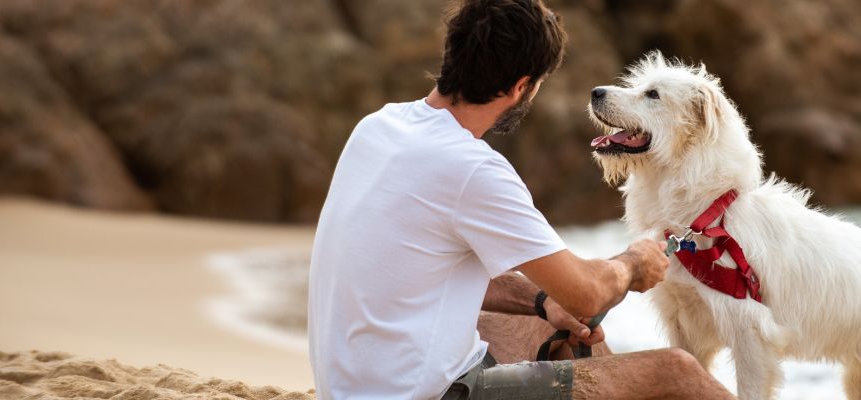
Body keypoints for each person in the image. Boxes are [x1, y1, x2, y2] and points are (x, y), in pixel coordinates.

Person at [307, 1, 736, 399]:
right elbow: (587, 293)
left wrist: (543, 301)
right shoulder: (473, 169)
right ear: (521, 86)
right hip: (425, 394)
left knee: (544, 319)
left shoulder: (378, 126)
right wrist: (632, 263)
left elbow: (416, 270)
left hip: (351, 382)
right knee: (675, 370)